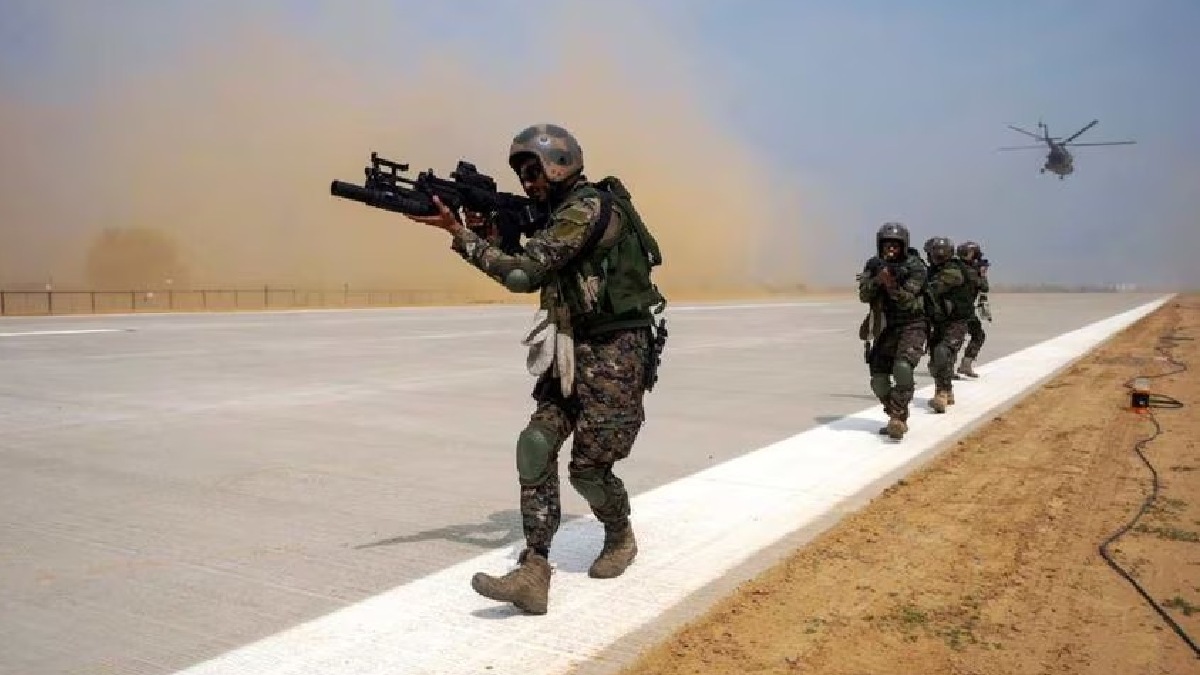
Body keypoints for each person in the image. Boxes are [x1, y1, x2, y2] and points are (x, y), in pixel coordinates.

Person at [402, 123, 667, 615]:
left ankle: (620, 535)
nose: (527, 182)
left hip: (616, 352)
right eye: (521, 174)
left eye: (534, 171)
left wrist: (460, 235)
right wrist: (490, 231)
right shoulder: (553, 215)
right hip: (570, 346)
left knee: (588, 470)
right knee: (535, 445)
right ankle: (534, 570)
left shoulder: (585, 210)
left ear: (560, 165)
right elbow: (521, 253)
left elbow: (524, 274)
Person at [857, 222, 928, 440]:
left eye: (895, 246)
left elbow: (908, 300)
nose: (891, 249)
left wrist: (891, 286)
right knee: (878, 380)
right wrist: (877, 281)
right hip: (885, 325)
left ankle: (897, 418)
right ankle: (896, 413)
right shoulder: (874, 265)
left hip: (912, 323)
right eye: (887, 245)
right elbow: (863, 296)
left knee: (903, 368)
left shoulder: (915, 266)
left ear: (903, 246)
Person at [922, 236, 974, 412]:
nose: (938, 257)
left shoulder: (953, 270)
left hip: (956, 322)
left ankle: (942, 393)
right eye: (935, 254)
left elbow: (933, 289)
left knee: (942, 352)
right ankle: (947, 391)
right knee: (936, 361)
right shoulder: (933, 271)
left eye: (941, 254)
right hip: (939, 322)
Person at [955, 241, 990, 378]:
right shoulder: (969, 271)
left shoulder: (955, 266)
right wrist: (983, 274)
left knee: (973, 335)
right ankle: (961, 366)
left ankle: (963, 365)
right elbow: (983, 287)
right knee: (958, 338)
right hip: (962, 311)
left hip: (961, 309)